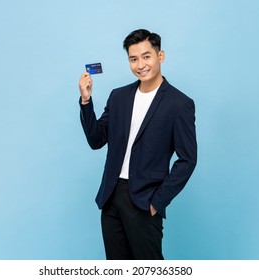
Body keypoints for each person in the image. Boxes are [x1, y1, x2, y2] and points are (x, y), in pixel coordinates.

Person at [78, 29, 197, 260]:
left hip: (145, 201)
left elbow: (188, 160)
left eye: (146, 56)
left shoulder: (179, 104)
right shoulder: (118, 97)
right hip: (111, 197)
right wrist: (86, 101)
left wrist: (158, 201)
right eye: (133, 59)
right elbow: (96, 140)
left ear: (160, 56)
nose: (140, 64)